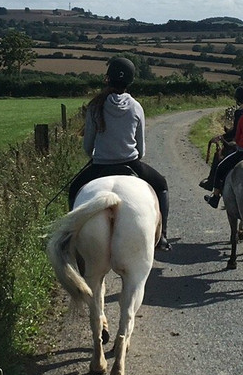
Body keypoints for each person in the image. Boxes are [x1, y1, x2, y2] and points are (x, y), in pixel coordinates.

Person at [69, 55, 172, 251]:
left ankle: (72, 238)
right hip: (131, 164)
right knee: (161, 185)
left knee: (74, 189)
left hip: (100, 166)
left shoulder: (95, 106)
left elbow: (87, 147)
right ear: (130, 81)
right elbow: (141, 149)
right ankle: (163, 236)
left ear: (108, 78)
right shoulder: (136, 106)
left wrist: (99, 155)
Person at [199, 85, 243, 191]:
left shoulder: (239, 112)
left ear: (237, 98)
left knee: (218, 158)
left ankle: (211, 183)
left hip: (240, 145)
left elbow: (235, 132)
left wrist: (221, 137)